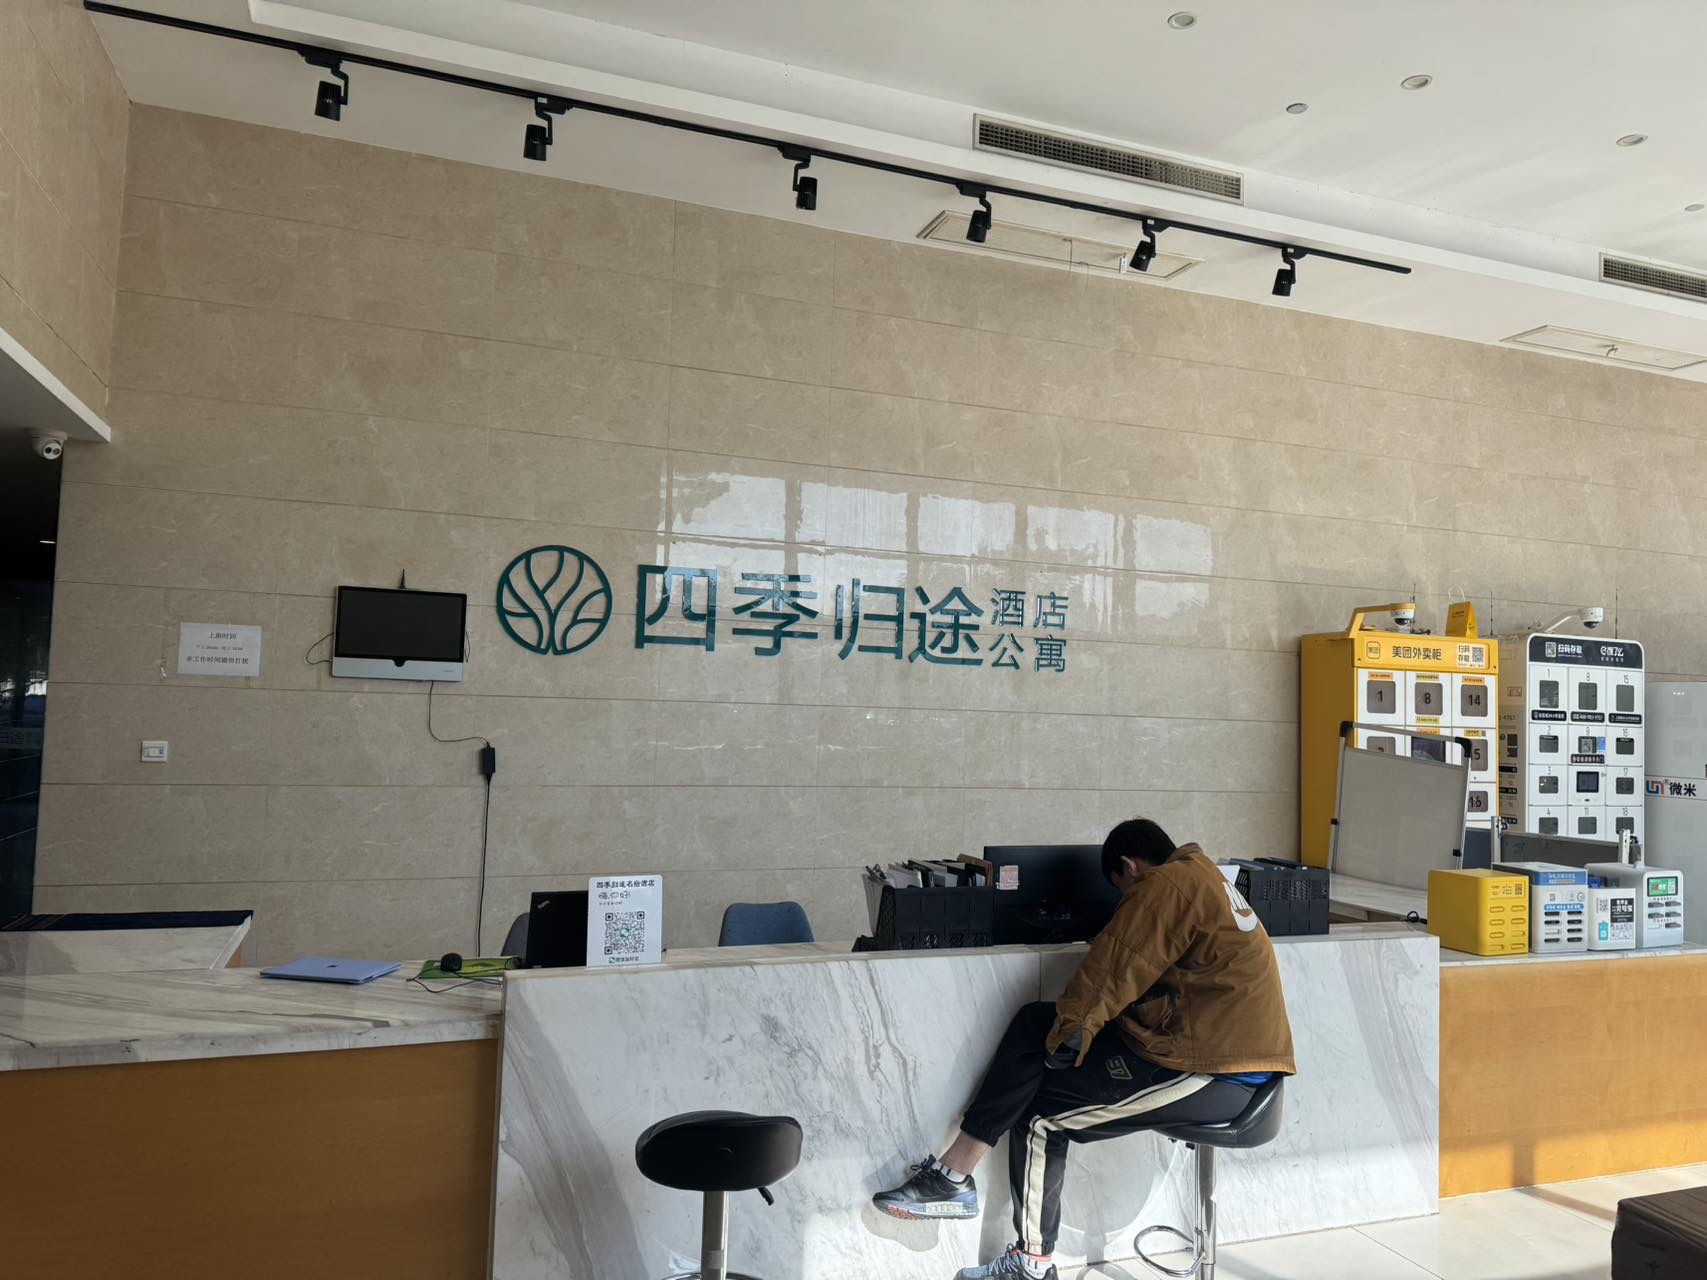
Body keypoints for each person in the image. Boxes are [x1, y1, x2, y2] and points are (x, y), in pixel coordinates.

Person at [872, 819, 1296, 1280]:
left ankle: (1031, 1266)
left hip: (1217, 1071)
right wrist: (1061, 1035)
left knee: (1041, 1116)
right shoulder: (1200, 875)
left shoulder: (1165, 884)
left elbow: (1114, 967)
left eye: (1121, 891)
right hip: (1214, 1050)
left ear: (1129, 867)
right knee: (1035, 1022)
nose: (1123, 901)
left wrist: (1072, 1033)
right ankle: (953, 1175)